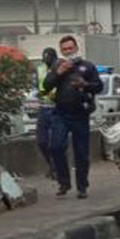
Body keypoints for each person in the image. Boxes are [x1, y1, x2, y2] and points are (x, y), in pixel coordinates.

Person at [42, 36, 103, 198]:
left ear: (76, 48)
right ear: (61, 51)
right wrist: (58, 72)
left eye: (70, 48)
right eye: (65, 49)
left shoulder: (87, 66)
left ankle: (82, 186)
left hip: (80, 114)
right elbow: (46, 86)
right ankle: (64, 182)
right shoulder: (57, 66)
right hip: (61, 113)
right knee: (55, 147)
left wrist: (85, 84)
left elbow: (99, 87)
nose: (68, 51)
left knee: (81, 152)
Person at [34, 48, 59, 179]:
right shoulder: (40, 69)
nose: (47, 60)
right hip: (43, 107)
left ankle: (57, 168)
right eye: (45, 58)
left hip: (57, 108)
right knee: (41, 141)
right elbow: (37, 86)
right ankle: (52, 165)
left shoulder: (60, 67)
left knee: (56, 142)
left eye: (49, 57)